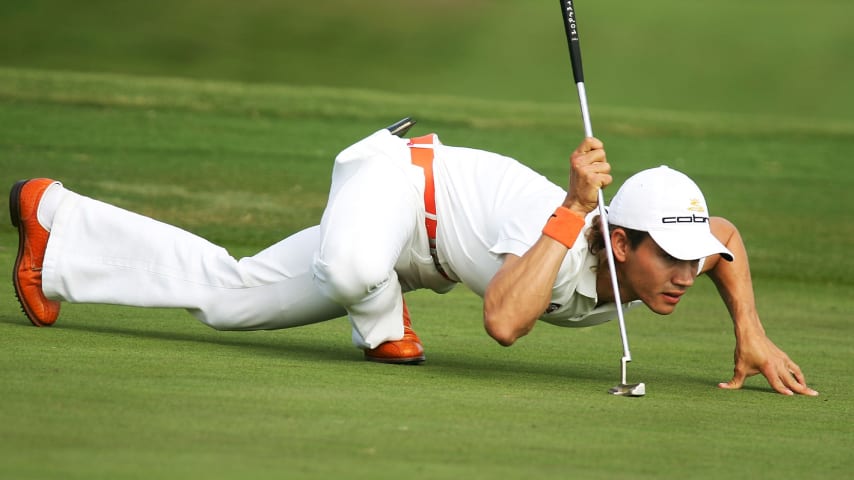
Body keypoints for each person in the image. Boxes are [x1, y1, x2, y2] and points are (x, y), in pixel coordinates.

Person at [11, 121, 818, 396]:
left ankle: (55, 228)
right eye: (672, 257)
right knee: (356, 269)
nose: (687, 271)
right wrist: (572, 208)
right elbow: (503, 321)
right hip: (396, 184)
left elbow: (731, 239)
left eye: (692, 258)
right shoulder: (569, 229)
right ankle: (380, 326)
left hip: (416, 254)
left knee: (231, 297)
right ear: (620, 240)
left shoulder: (668, 255)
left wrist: (747, 327)